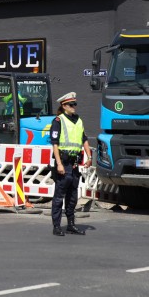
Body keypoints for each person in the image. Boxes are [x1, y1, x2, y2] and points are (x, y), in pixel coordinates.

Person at [50, 92, 93, 236]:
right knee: (59, 197)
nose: (74, 106)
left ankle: (70, 224)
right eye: (71, 104)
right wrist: (59, 164)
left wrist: (89, 156)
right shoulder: (58, 121)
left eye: (75, 104)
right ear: (63, 106)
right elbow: (55, 144)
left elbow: (84, 139)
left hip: (74, 164)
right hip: (64, 163)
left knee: (72, 197)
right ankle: (56, 226)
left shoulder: (78, 120)